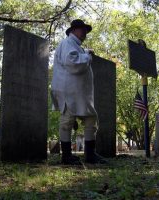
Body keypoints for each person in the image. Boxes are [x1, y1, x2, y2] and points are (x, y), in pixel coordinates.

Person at [51, 19, 106, 164]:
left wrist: (86, 52)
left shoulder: (76, 45)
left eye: (86, 30)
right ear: (73, 30)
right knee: (67, 121)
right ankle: (67, 156)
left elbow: (76, 58)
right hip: (69, 90)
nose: (85, 32)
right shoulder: (68, 43)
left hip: (78, 92)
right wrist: (87, 56)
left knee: (90, 119)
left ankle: (89, 154)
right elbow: (72, 63)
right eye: (82, 29)